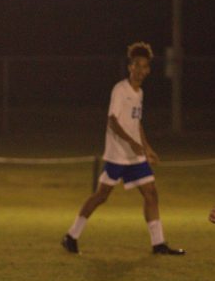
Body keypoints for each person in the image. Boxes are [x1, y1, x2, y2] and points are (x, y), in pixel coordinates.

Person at [62, 42, 185, 255]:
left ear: (148, 70)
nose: (141, 70)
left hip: (135, 157)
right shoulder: (120, 90)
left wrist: (147, 147)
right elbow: (112, 121)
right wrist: (132, 143)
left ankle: (159, 244)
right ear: (130, 67)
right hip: (118, 155)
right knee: (101, 196)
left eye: (145, 66)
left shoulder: (140, 93)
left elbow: (136, 123)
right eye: (137, 65)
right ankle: (71, 236)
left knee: (151, 193)